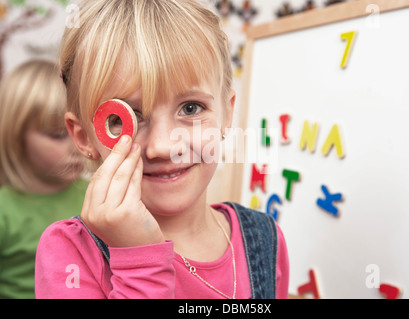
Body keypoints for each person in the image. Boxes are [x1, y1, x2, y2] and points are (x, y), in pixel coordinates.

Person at [35, 0, 289, 299]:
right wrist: (140, 261)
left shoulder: (264, 238)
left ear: (227, 115)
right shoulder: (69, 253)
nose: (163, 146)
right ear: (83, 137)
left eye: (191, 108)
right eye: (124, 118)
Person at [0, 60, 88, 299]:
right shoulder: (4, 211)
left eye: (82, 133)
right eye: (59, 135)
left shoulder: (97, 196)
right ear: (16, 137)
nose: (77, 147)